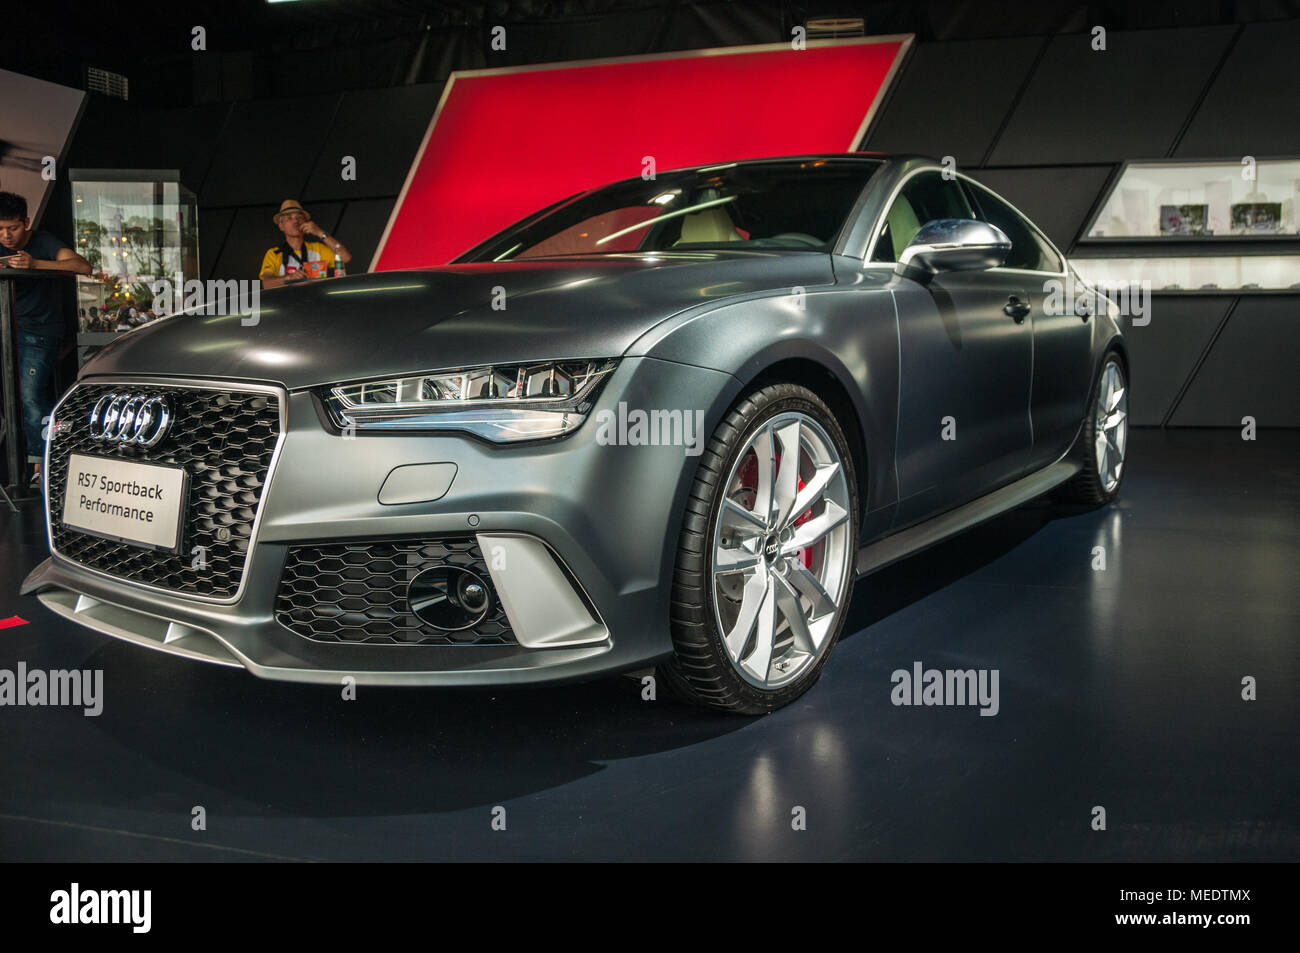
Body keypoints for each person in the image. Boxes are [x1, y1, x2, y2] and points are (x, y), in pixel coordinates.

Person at [0, 191, 91, 484]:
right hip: (5, 331)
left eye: (12, 228)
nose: (6, 235)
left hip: (39, 332)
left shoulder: (43, 242)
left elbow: (82, 266)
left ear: (25, 222)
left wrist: (35, 264)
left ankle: (43, 469)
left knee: (30, 397)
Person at [259, 199, 352, 289]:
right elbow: (266, 284)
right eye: (289, 218)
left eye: (299, 217)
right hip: (287, 302)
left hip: (316, 301)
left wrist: (319, 232)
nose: (295, 221)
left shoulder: (318, 249)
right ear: (281, 225)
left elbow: (345, 258)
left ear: (306, 223)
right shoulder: (274, 254)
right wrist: (289, 278)